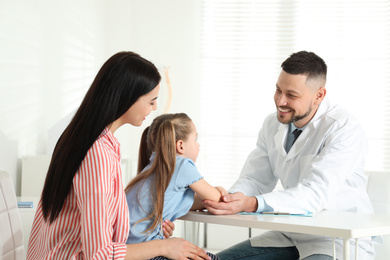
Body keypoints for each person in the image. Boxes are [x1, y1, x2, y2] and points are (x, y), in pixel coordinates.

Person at [27, 51, 212, 260]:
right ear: (128, 97)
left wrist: (149, 230)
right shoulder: (98, 154)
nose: (154, 108)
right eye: (151, 101)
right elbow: (100, 254)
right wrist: (163, 247)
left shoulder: (84, 140)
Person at [203, 51, 376, 260]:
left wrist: (251, 203)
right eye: (278, 90)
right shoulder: (272, 124)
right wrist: (230, 200)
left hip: (336, 240)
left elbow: (314, 194)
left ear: (319, 95)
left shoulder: (343, 128)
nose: (280, 101)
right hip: (292, 234)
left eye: (292, 95)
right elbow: (255, 180)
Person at [125, 113, 221, 259]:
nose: (198, 145)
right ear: (180, 145)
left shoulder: (151, 169)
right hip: (149, 254)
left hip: (130, 252)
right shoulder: (181, 164)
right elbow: (217, 199)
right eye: (196, 139)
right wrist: (220, 191)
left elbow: (192, 203)